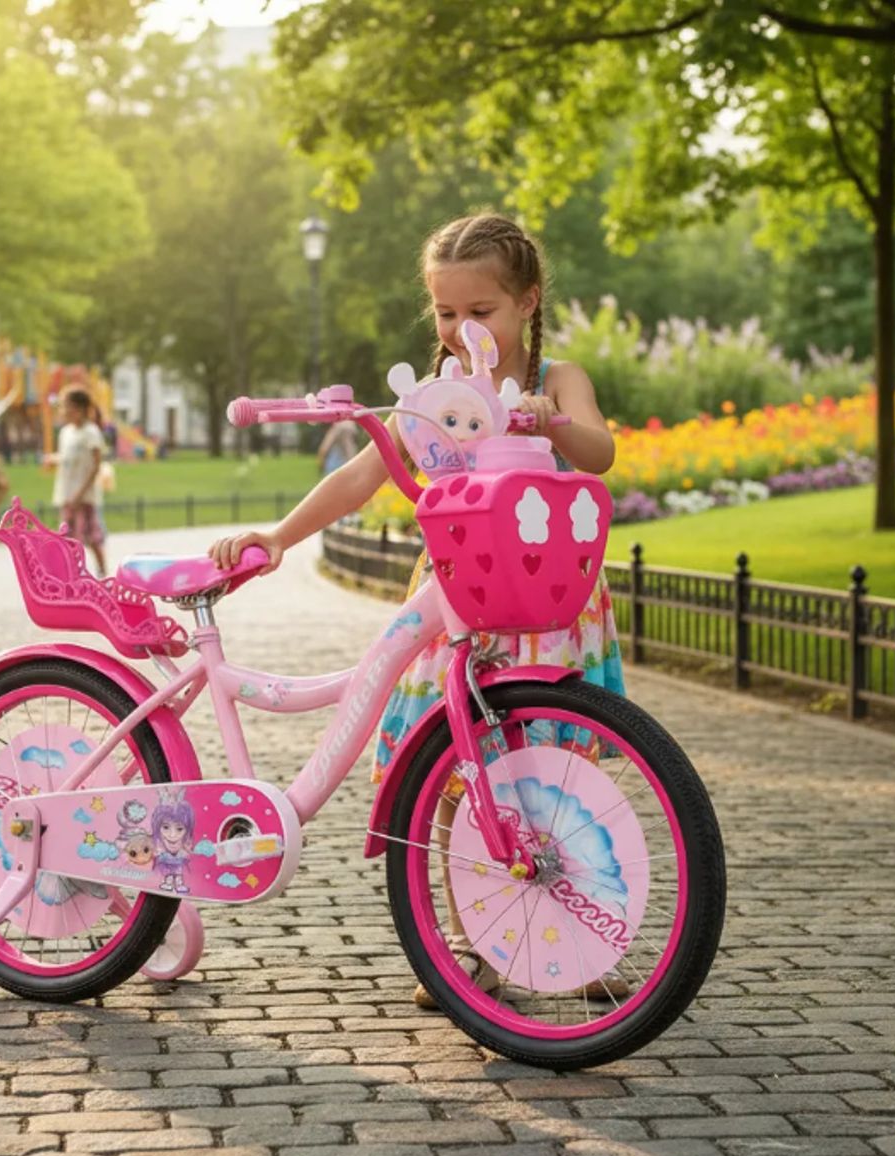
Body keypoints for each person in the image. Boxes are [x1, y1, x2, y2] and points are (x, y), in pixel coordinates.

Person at [209, 212, 627, 1007]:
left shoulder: (559, 378)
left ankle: (580, 941)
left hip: (546, 606)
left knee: (556, 781)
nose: (463, 328)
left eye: (482, 310)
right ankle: (466, 944)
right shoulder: (435, 401)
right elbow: (364, 475)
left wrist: (553, 417)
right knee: (452, 774)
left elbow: (601, 451)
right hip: (459, 596)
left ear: (528, 301)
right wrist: (281, 535)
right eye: (446, 313)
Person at [47, 386, 107, 575]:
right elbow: (67, 457)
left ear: (79, 409)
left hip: (84, 496)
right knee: (67, 536)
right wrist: (53, 459)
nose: (63, 411)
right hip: (66, 493)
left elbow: (96, 465)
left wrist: (80, 493)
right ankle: (71, 573)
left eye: (66, 407)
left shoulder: (91, 432)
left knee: (90, 536)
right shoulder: (65, 432)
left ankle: (102, 571)